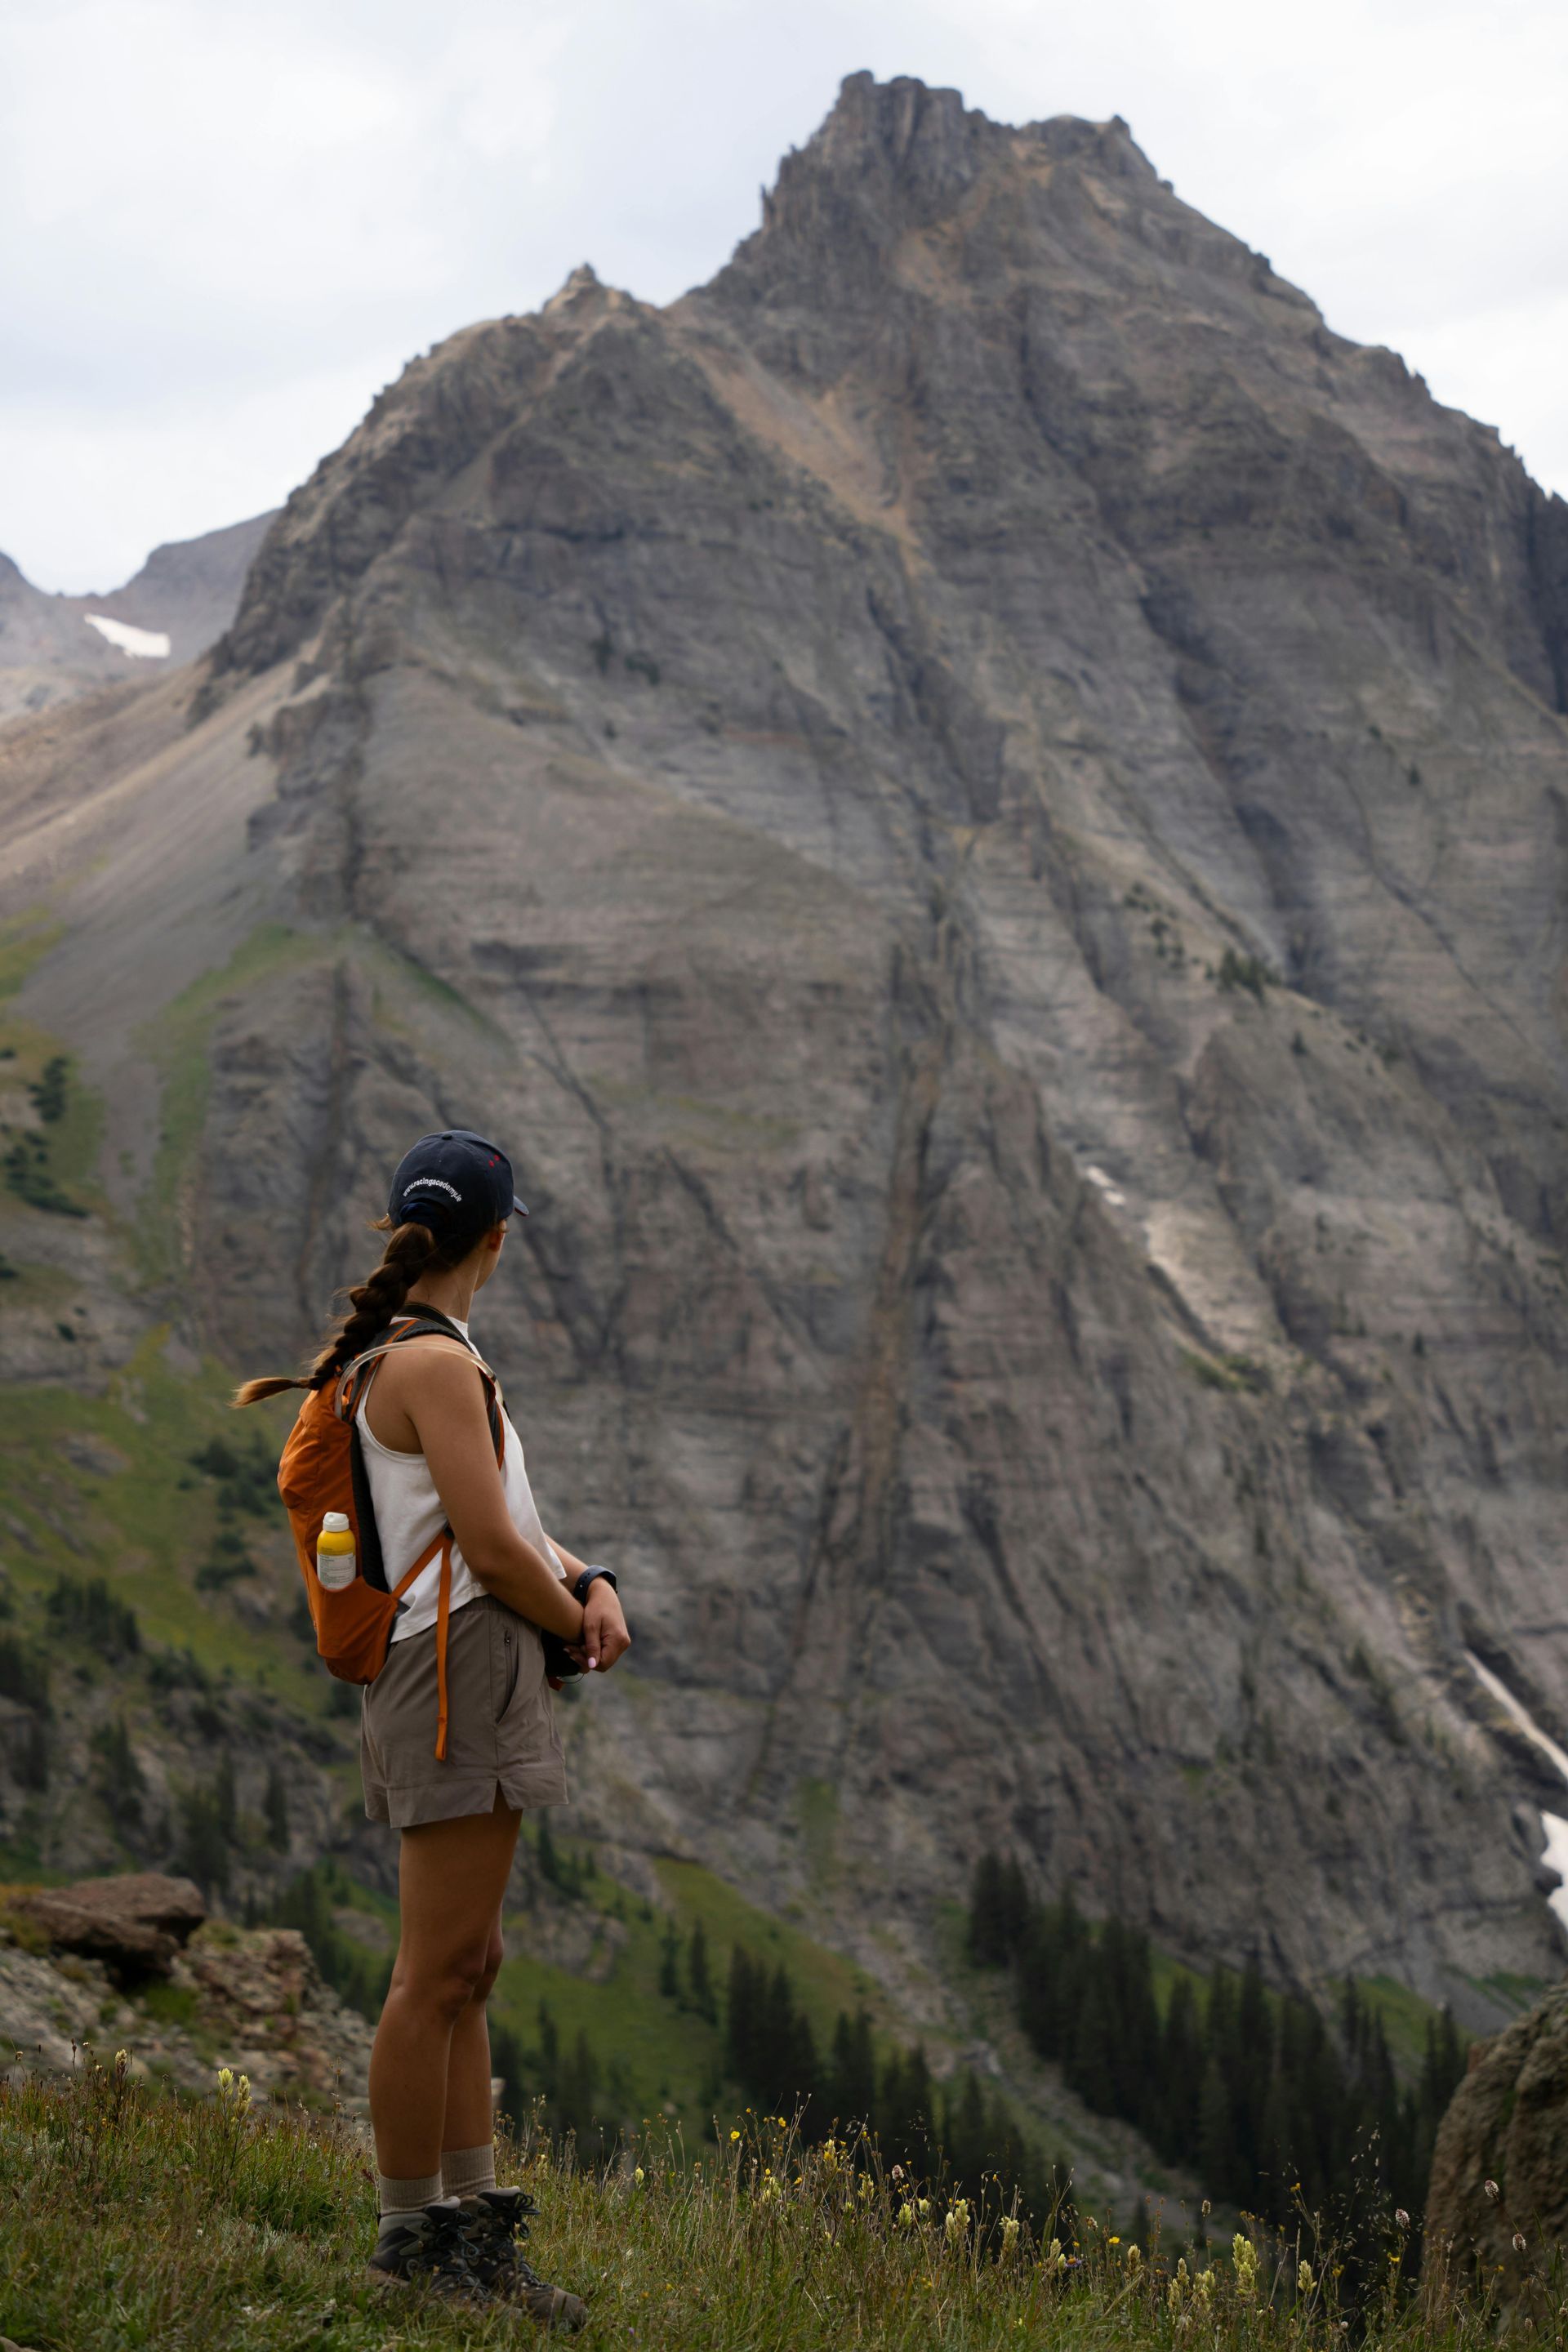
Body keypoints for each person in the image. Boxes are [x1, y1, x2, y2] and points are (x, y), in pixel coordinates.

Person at [236, 1129, 629, 2324]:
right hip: (458, 1667)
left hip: (461, 1658)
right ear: (497, 1243)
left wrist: (588, 1577)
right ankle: (414, 2241)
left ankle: (469, 2226)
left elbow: (501, 1521)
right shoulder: (436, 1365)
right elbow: (495, 1550)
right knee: (434, 1973)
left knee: (472, 1963)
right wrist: (572, 1619)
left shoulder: (407, 1353)